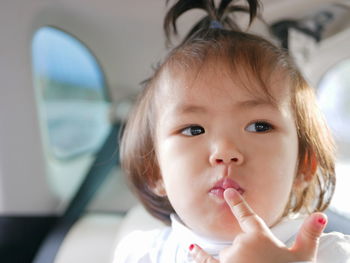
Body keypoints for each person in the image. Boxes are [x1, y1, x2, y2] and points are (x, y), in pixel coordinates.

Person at [114, 0, 350, 262]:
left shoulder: (330, 255)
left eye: (259, 127)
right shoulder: (141, 254)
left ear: (303, 165)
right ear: (155, 171)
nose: (225, 151)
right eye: (193, 129)